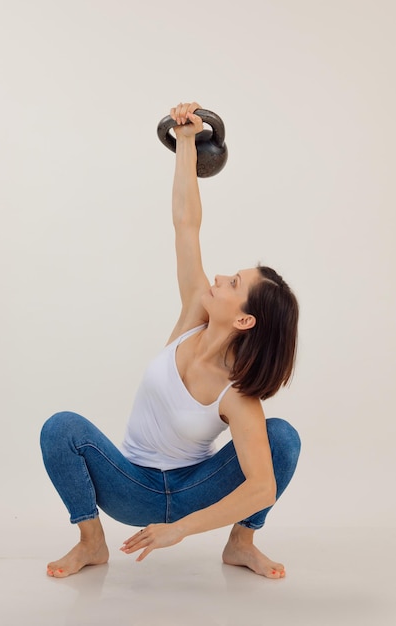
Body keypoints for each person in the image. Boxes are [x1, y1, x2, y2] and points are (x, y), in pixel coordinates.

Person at [40, 102, 301, 580]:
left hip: (194, 491)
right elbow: (187, 225)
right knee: (62, 428)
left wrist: (180, 529)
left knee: (280, 439)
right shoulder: (193, 317)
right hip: (131, 485)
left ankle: (241, 544)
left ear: (245, 320)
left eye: (234, 283)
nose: (221, 276)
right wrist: (185, 144)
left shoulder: (237, 394)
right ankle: (92, 542)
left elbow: (262, 486)